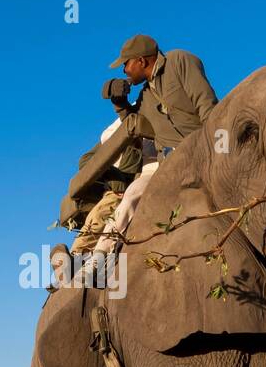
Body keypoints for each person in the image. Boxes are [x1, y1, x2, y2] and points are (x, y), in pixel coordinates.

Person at [76, 34, 218, 257]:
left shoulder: (179, 61)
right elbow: (135, 127)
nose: (124, 71)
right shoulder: (145, 96)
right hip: (167, 165)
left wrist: (218, 151)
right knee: (133, 193)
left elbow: (206, 104)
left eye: (126, 64)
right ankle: (98, 259)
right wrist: (120, 103)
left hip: (201, 149)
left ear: (141, 61)